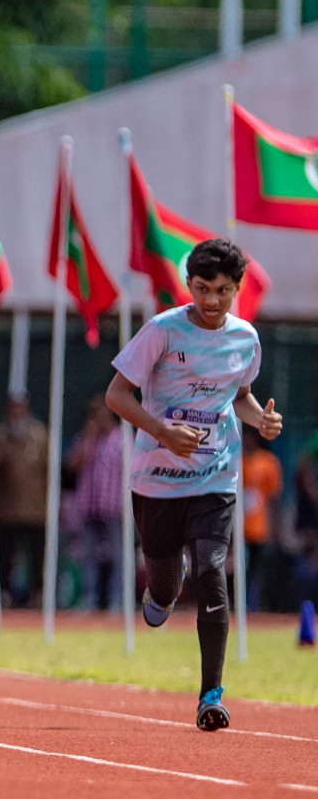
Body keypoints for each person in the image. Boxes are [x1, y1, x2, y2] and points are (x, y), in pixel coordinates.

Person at [105, 237, 281, 732]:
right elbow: (117, 395)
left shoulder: (245, 338)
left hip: (215, 476)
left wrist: (259, 423)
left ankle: (211, 695)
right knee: (163, 585)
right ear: (189, 285)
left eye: (223, 291)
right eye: (202, 289)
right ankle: (162, 589)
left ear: (237, 290)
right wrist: (161, 431)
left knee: (212, 573)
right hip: (157, 478)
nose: (210, 301)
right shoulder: (163, 330)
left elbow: (241, 397)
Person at [65, 395, 126, 611]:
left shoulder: (122, 438)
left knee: (118, 555)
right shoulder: (86, 439)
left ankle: (117, 600)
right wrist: (88, 440)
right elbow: (72, 466)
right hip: (89, 505)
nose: (97, 418)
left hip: (113, 507)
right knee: (88, 555)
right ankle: (89, 598)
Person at [0, 393, 48, 607]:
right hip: (7, 508)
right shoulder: (0, 435)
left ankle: (38, 594)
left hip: (35, 508)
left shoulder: (39, 434)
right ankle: (4, 594)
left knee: (36, 555)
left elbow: (49, 470)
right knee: (6, 555)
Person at [239, 424, 283, 611]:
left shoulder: (268, 462)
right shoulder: (236, 461)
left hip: (259, 528)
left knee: (256, 570)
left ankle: (253, 606)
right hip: (238, 527)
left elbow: (273, 499)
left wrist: (275, 528)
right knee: (237, 568)